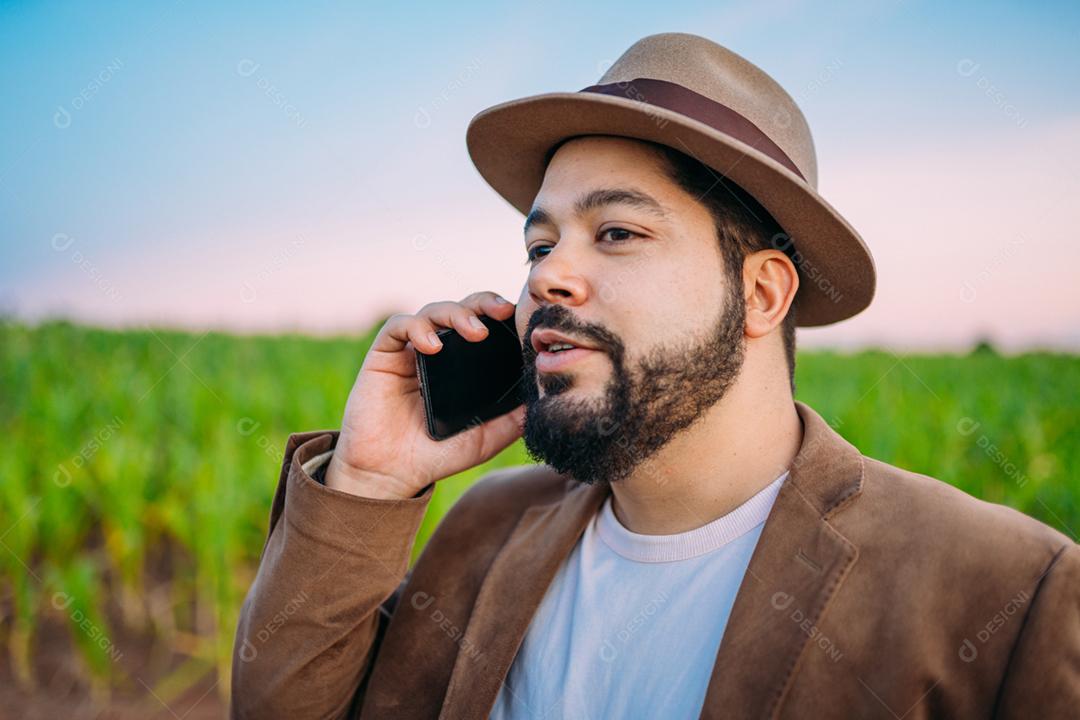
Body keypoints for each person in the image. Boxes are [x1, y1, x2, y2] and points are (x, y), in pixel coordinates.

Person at [230, 33, 1079, 719]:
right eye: (539, 245)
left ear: (761, 293)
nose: (547, 278)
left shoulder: (1008, 592)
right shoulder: (486, 528)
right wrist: (369, 483)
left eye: (617, 234)